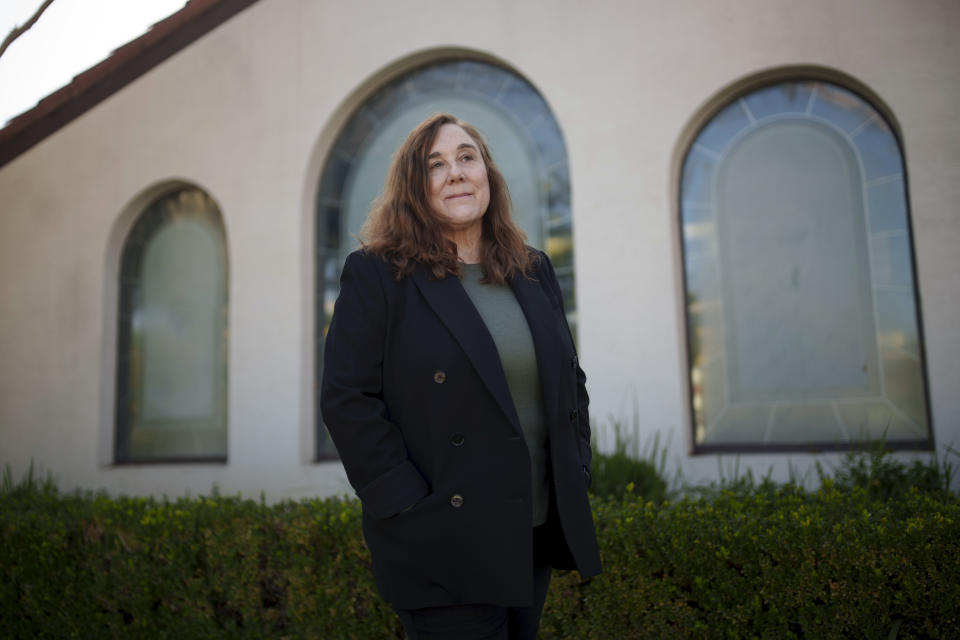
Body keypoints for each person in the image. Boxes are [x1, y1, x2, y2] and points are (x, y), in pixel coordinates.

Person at [320, 113, 601, 639]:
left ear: (487, 174)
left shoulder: (531, 268)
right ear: (414, 187)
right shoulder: (379, 273)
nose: (456, 173)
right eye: (436, 164)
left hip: (530, 530)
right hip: (441, 539)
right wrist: (404, 501)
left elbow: (568, 379)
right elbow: (347, 398)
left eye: (467, 157)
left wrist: (575, 467)